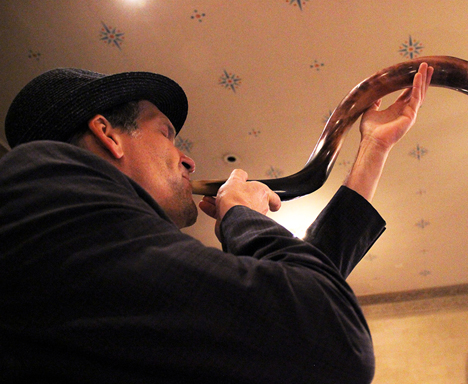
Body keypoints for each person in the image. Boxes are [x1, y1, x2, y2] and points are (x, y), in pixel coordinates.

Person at [0, 63, 433, 384]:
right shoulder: (42, 177)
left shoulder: (92, 259)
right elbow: (328, 337)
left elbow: (279, 318)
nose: (187, 159)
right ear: (108, 134)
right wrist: (243, 217)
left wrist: (373, 149)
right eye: (167, 133)